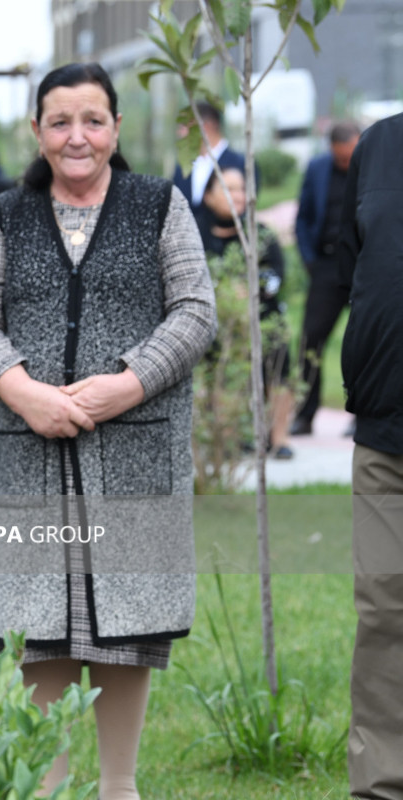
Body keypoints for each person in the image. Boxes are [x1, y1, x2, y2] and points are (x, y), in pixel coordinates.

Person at [0, 62, 216, 799]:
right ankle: (49, 786)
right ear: (37, 132)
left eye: (93, 121)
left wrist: (125, 384)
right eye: (60, 122)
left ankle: (119, 786)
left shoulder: (159, 205)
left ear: (117, 129)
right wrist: (21, 389)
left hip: (134, 447)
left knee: (126, 623)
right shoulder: (7, 214)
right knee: (42, 618)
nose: (77, 137)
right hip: (30, 452)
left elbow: (195, 311)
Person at [337, 109, 403, 800]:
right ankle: (384, 785)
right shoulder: (379, 145)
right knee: (385, 612)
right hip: (387, 428)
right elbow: (349, 267)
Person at [199, 167, 294, 460]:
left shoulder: (260, 233)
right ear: (208, 196)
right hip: (219, 325)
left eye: (241, 189)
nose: (237, 196)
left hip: (262, 320)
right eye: (228, 189)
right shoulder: (196, 235)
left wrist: (250, 289)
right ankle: (229, 439)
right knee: (221, 368)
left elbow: (276, 277)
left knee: (279, 362)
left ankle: (278, 439)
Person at [292, 121, 360, 437]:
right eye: (341, 159)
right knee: (310, 340)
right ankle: (305, 415)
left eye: (350, 158)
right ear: (331, 150)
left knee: (366, 341)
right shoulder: (318, 168)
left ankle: (362, 415)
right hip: (326, 265)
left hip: (364, 266)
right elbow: (303, 216)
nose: (346, 164)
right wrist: (309, 259)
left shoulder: (375, 168)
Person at [171, 99, 252, 216]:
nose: (180, 133)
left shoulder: (241, 163)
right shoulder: (182, 168)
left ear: (205, 127)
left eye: (184, 127)